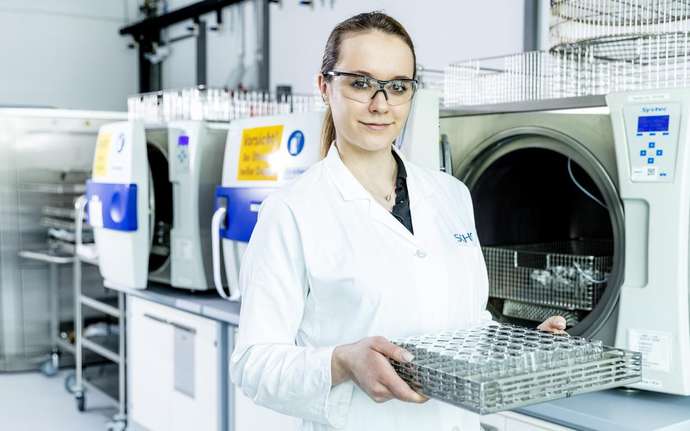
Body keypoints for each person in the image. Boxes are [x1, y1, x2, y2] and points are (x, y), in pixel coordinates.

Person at [230, 11, 567, 431]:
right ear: (324, 87)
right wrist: (340, 362)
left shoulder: (450, 195)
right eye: (360, 83)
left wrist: (518, 345)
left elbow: (465, 319)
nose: (380, 104)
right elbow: (253, 364)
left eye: (397, 87)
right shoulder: (293, 210)